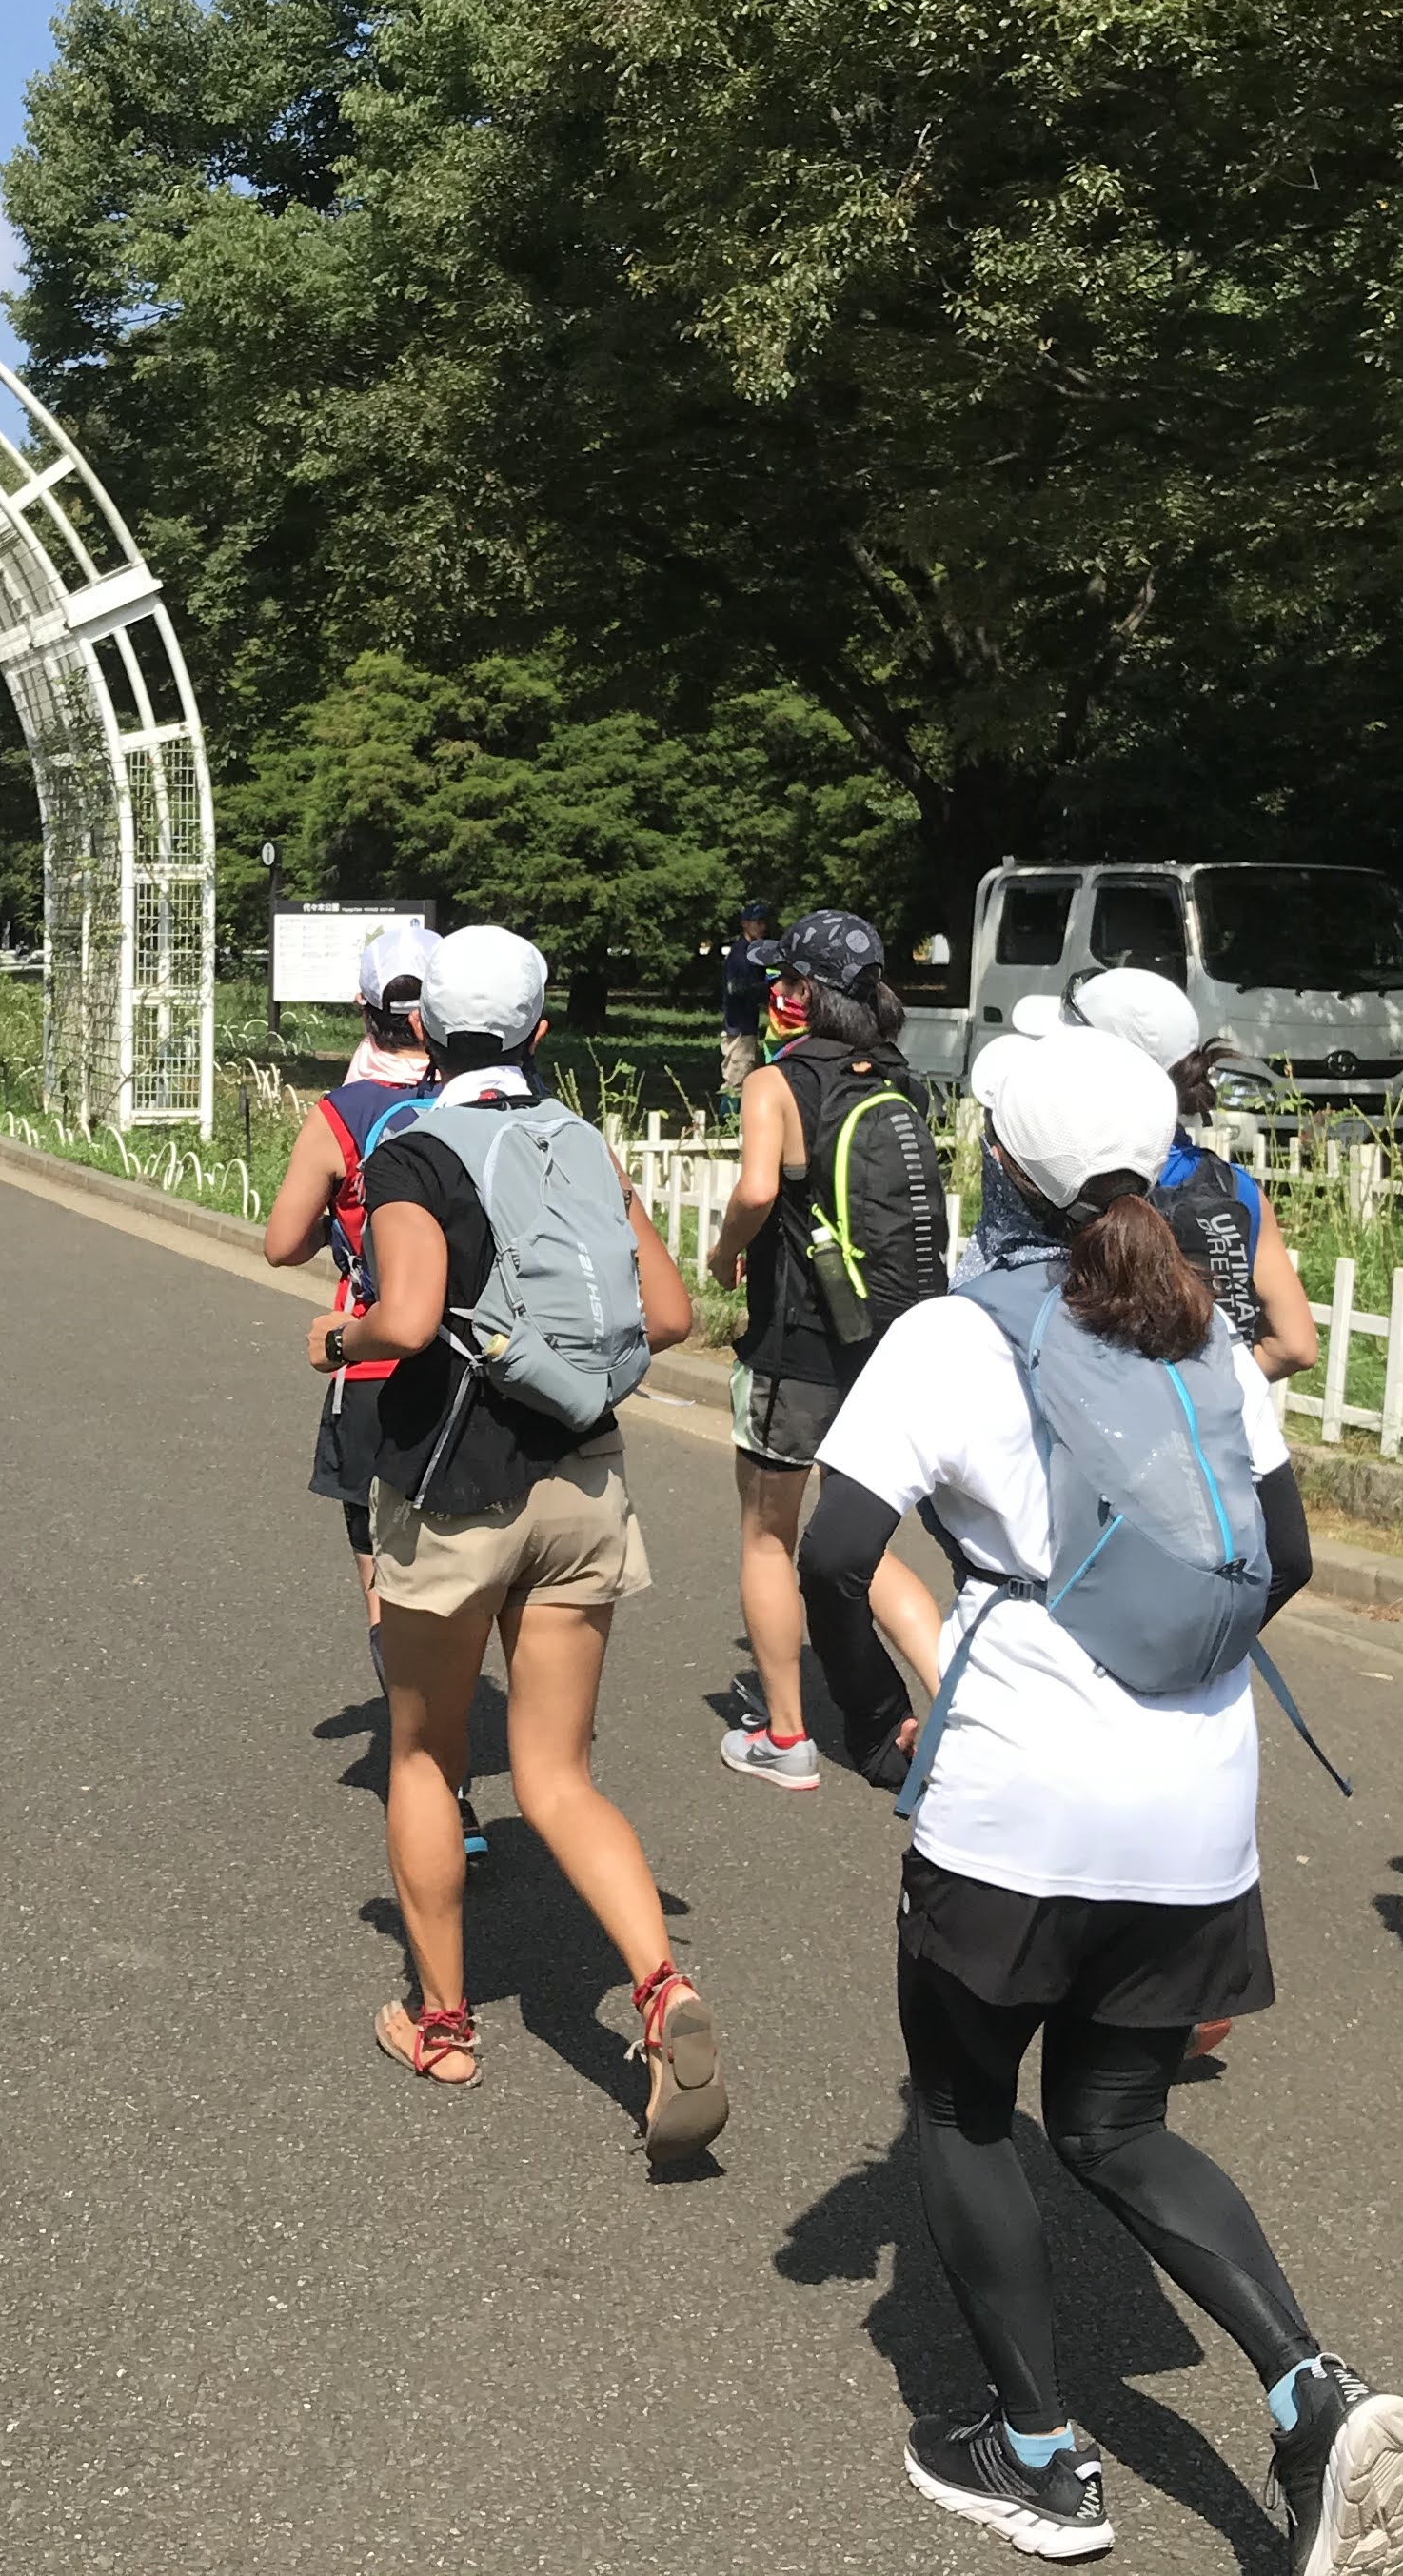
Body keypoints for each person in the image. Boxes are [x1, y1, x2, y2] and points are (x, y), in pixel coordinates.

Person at [800, 1027, 1403, 2569]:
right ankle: (1311, 2391)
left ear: (997, 1163)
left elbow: (832, 1549)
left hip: (1016, 1796)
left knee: (965, 2109)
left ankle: (1037, 2457)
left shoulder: (955, 1333)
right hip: (1196, 1804)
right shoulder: (1200, 1333)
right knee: (1117, 2120)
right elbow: (1284, 1557)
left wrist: (877, 1722)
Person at [316, 923, 727, 2155]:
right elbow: (669, 1312)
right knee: (558, 1776)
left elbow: (406, 1318)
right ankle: (662, 1988)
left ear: (423, 1030)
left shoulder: (413, 1149)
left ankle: (442, 2025)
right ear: (542, 1031)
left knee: (426, 1753)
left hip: (452, 1489)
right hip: (581, 1481)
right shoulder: (581, 1144)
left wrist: (335, 1340)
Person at [704, 908, 952, 1792]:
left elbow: (757, 1191)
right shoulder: (899, 1076)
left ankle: (785, 1738)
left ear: (801, 991)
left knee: (768, 1537)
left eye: (786, 978)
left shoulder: (777, 1081)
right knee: (861, 1542)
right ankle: (957, 1710)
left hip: (798, 1343)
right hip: (887, 1346)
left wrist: (723, 1254)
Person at [261, 921, 483, 1864]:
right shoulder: (487, 1105)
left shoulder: (343, 1116)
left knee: (386, 1589)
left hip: (375, 1369)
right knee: (473, 1577)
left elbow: (281, 1242)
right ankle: (483, 1762)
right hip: (479, 1369)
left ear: (363, 1007)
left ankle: (437, 1785)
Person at [1070, 966, 1321, 1379]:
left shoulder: (1073, 1182)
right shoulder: (1237, 1188)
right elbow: (1296, 1346)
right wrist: (1212, 1390)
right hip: (1222, 1415)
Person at [717, 900, 779, 1101]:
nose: (762, 927)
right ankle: (727, 1119)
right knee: (736, 1081)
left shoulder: (752, 952)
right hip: (738, 1028)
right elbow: (735, 989)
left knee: (746, 1077)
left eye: (764, 922)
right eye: (757, 922)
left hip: (746, 1025)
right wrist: (769, 987)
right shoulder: (740, 955)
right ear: (745, 924)